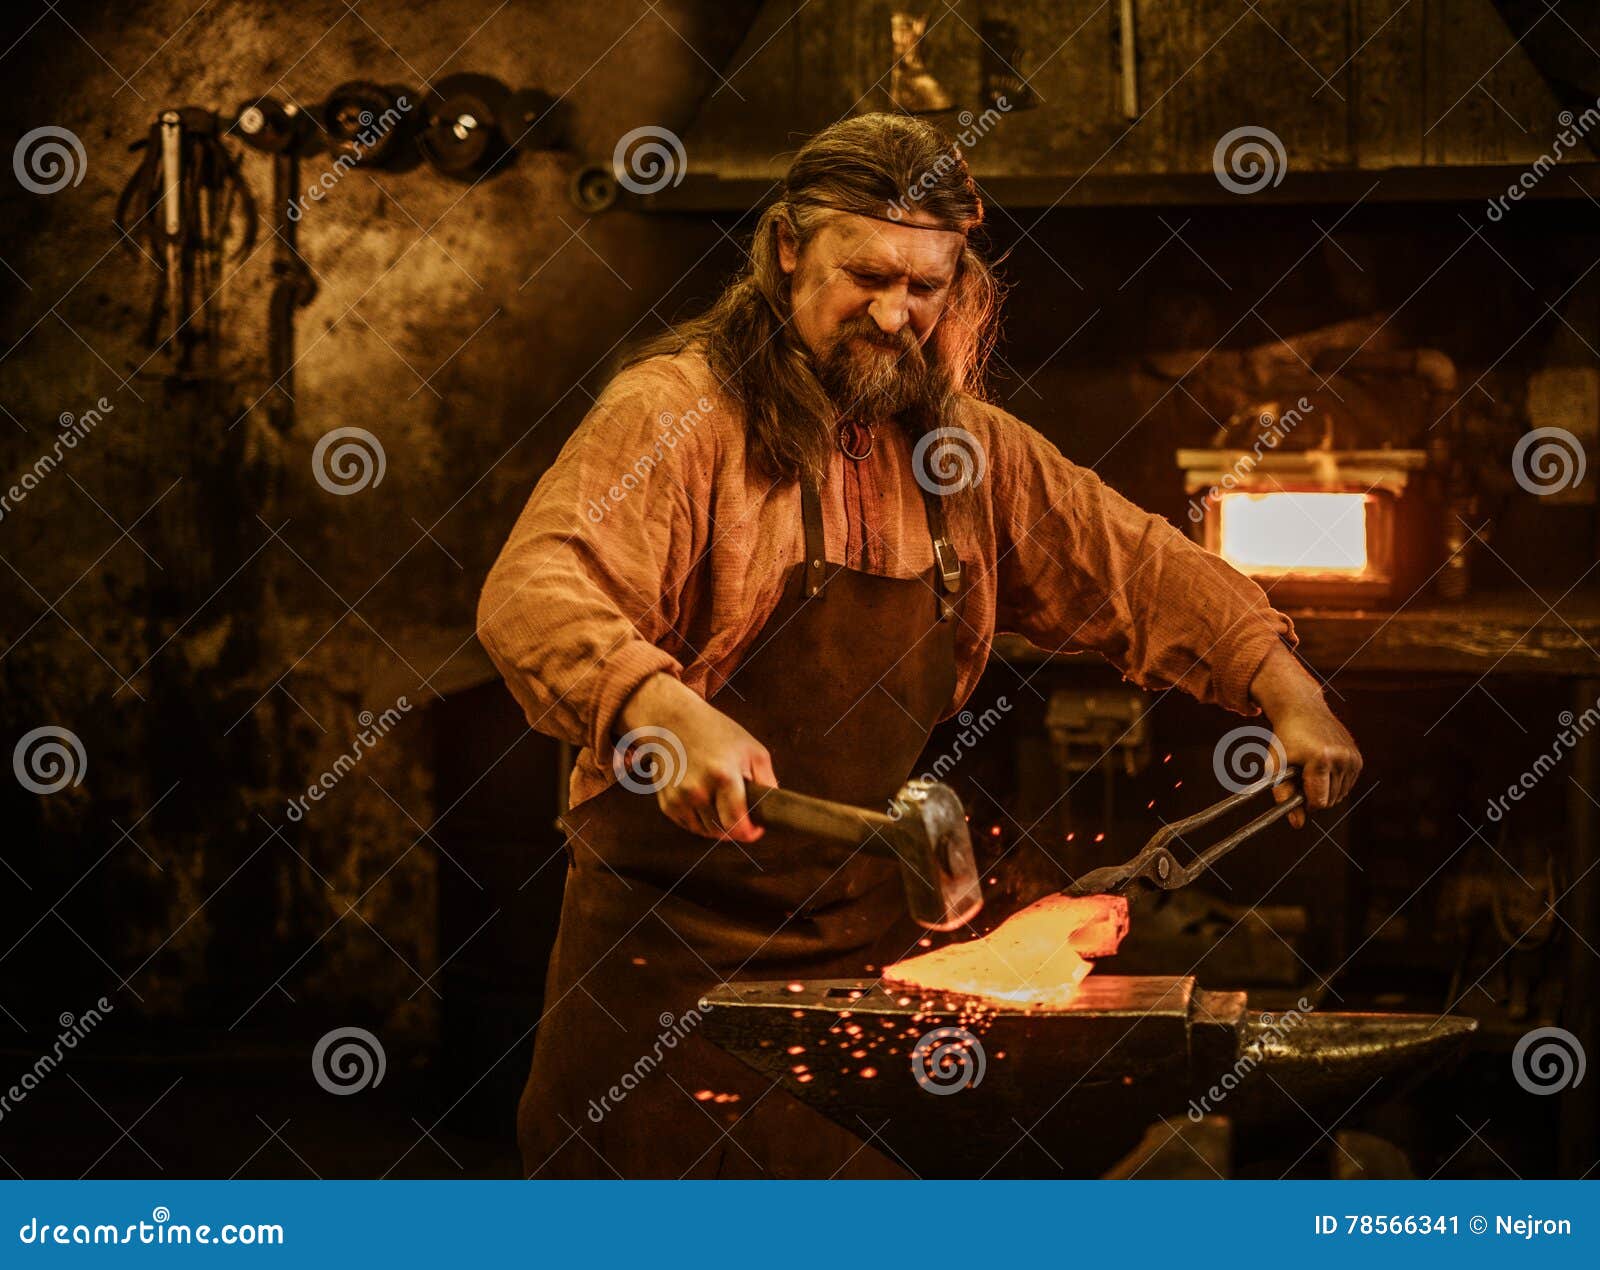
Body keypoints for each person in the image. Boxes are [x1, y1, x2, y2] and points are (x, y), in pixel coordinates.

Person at [476, 112, 1361, 1178]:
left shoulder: (960, 448)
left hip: (857, 968)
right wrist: (656, 705)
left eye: (925, 287)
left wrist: (1281, 679)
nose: (894, 314)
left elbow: (1130, 560)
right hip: (665, 966)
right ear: (788, 249)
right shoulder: (675, 416)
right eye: (868, 275)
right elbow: (535, 589)